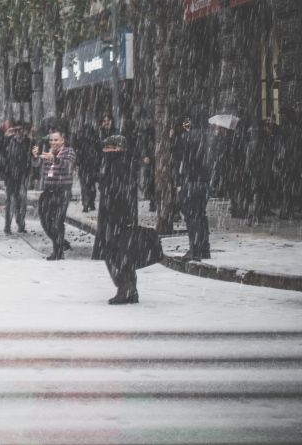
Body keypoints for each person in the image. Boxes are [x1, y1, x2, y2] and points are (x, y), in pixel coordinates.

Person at [94, 134, 162, 305]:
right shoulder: (119, 165)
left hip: (116, 218)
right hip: (119, 217)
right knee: (121, 254)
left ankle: (125, 288)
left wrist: (118, 216)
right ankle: (130, 289)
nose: (105, 150)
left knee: (115, 254)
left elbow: (117, 193)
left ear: (117, 148)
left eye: (108, 147)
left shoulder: (117, 166)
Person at [33, 129, 76, 260]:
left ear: (63, 140)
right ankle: (62, 243)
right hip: (48, 191)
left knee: (57, 222)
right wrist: (35, 157)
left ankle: (58, 253)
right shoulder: (48, 152)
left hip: (62, 191)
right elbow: (37, 166)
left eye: (56, 140)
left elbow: (68, 166)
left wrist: (55, 159)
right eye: (51, 140)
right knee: (45, 221)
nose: (53, 142)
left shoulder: (69, 152)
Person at [174, 116, 211, 260]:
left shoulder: (183, 139)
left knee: (192, 217)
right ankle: (204, 248)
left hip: (190, 181)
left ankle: (195, 249)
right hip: (204, 180)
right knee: (201, 215)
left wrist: (179, 182)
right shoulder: (207, 138)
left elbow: (181, 162)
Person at [0, 121, 33, 234]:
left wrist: (33, 140)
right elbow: (0, 154)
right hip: (10, 176)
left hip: (22, 175)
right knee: (11, 201)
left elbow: (34, 156)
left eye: (20, 130)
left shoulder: (28, 142)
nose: (18, 132)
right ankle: (7, 225)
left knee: (22, 201)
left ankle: (21, 224)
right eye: (16, 130)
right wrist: (4, 138)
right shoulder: (7, 142)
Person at [76, 125, 101, 212]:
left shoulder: (81, 141)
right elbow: (98, 154)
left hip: (85, 167)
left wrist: (78, 162)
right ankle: (90, 203)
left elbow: (78, 155)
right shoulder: (95, 141)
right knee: (90, 186)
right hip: (91, 167)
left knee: (85, 186)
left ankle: (86, 204)